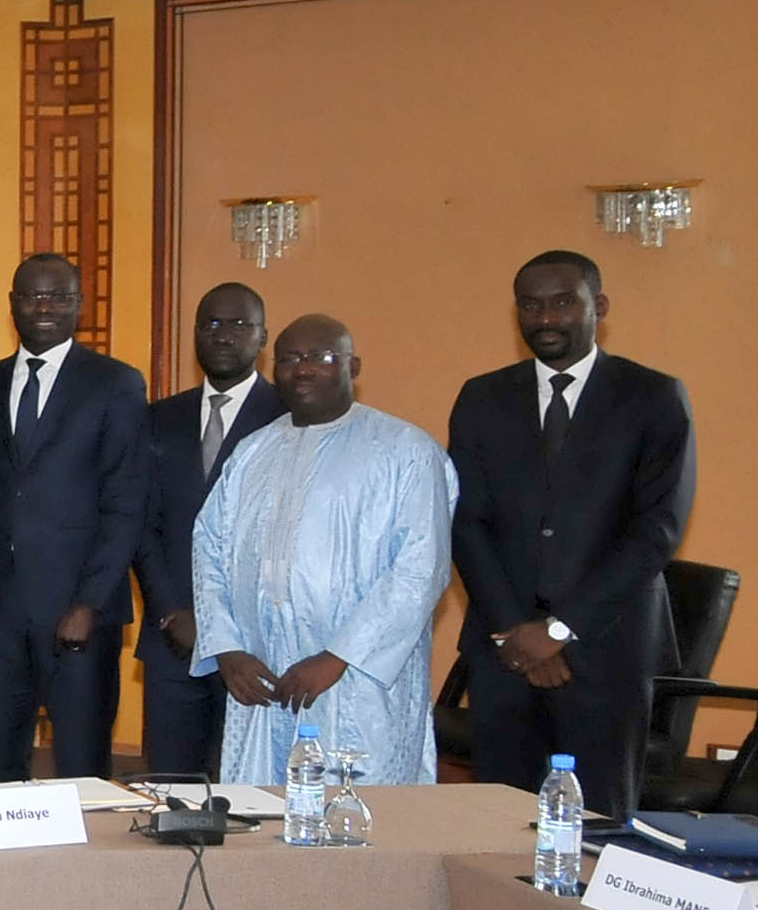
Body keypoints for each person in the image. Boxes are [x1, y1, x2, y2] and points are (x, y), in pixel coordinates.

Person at [447, 250, 695, 815]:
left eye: (563, 301)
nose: (546, 318)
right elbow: (466, 520)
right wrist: (516, 631)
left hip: (605, 648)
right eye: (530, 305)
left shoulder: (652, 397)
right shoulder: (482, 397)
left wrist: (559, 629)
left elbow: (656, 531)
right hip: (503, 652)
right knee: (495, 826)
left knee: (597, 828)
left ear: (598, 307)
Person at [192, 315, 459, 784]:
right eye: (290, 359)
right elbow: (208, 548)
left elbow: (421, 568)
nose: (303, 369)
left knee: (360, 820)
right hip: (264, 676)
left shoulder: (407, 451)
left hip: (357, 679)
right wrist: (228, 648)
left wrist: (337, 657)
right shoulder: (253, 451)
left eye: (321, 357)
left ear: (353, 365)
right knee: (262, 821)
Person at [0, 253, 148, 783]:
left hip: (78, 612)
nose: (44, 307)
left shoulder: (115, 384)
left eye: (59, 296)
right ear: (11, 304)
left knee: (82, 768)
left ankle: (85, 869)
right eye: (31, 296)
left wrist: (90, 602)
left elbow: (125, 504)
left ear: (79, 305)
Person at [131, 283, 279, 776]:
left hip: (257, 643)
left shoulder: (287, 418)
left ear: (263, 337)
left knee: (250, 789)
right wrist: (171, 613)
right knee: (171, 787)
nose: (223, 335)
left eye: (239, 324)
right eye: (211, 323)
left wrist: (227, 629)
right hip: (175, 638)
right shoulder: (158, 417)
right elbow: (141, 523)